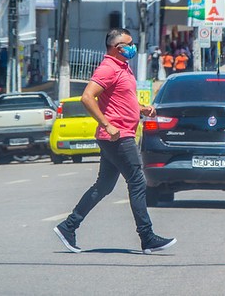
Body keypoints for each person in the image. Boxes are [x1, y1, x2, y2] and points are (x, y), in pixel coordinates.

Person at [53, 29, 176, 254]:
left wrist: (142, 109)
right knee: (138, 182)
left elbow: (121, 100)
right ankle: (147, 237)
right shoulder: (108, 68)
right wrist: (107, 124)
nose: (132, 47)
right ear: (116, 47)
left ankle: (68, 227)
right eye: (129, 44)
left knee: (104, 186)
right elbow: (87, 97)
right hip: (117, 136)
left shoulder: (123, 68)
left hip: (119, 134)